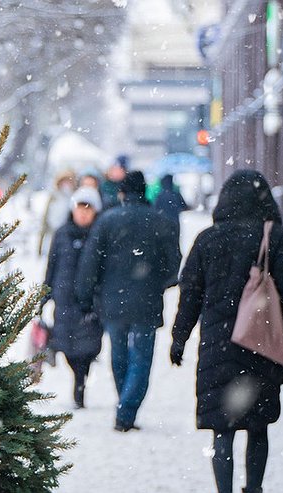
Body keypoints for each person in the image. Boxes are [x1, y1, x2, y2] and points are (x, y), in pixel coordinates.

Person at [170, 169, 283, 493]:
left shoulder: (207, 239)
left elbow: (190, 293)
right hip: (262, 344)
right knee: (258, 427)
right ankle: (254, 488)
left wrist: (180, 337)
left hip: (219, 347)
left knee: (223, 429)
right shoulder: (274, 237)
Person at [75, 171, 181, 431]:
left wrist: (86, 296)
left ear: (122, 193)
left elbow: (90, 263)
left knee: (119, 355)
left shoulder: (106, 221)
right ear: (144, 192)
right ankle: (127, 408)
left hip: (112, 303)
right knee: (141, 359)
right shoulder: (160, 221)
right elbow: (173, 265)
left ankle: (124, 403)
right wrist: (158, 283)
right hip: (147, 302)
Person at [43, 186, 104, 409]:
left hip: (90, 302)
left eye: (88, 208)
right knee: (67, 348)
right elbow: (52, 266)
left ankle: (80, 385)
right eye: (80, 208)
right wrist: (44, 295)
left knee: (87, 349)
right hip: (64, 299)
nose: (83, 213)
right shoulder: (61, 234)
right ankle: (78, 380)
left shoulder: (100, 234)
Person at [38, 169, 76, 256]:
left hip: (66, 234)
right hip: (51, 232)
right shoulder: (54, 196)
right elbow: (46, 217)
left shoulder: (73, 198)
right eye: (64, 182)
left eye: (68, 182)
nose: (66, 185)